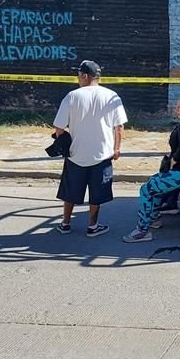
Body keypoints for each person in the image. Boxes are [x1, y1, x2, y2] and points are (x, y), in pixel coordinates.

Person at [53, 60, 128, 238]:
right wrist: (117, 149)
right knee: (97, 192)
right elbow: (119, 127)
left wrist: (62, 143)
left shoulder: (72, 96)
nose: (78, 79)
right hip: (102, 154)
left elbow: (59, 129)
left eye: (79, 75)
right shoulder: (112, 96)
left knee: (70, 190)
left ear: (85, 76)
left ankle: (65, 223)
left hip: (75, 154)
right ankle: (93, 226)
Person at [123, 94, 180, 242]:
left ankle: (142, 231)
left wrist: (175, 159)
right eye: (177, 107)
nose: (177, 110)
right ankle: (153, 219)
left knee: (146, 189)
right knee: (154, 188)